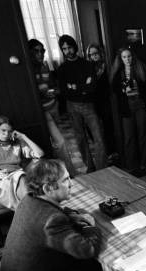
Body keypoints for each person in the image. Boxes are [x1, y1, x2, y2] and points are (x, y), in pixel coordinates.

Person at [0, 159, 103, 271]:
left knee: (86, 264)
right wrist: (90, 225)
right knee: (95, 267)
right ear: (48, 188)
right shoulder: (51, 221)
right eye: (65, 180)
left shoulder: (28, 200)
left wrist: (72, 216)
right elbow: (88, 249)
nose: (71, 183)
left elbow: (53, 211)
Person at [56, 34, 107, 171]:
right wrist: (82, 87)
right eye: (64, 49)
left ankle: (102, 168)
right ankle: (90, 167)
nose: (68, 51)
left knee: (99, 137)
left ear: (75, 47)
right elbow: (64, 92)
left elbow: (92, 87)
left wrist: (74, 87)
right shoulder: (61, 69)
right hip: (72, 106)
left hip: (89, 105)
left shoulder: (87, 64)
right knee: (80, 139)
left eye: (70, 47)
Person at [28, 39, 77, 175]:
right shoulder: (28, 69)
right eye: (37, 51)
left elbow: (53, 85)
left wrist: (54, 91)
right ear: (30, 52)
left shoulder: (44, 66)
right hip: (41, 111)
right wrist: (42, 91)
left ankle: (60, 174)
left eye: (42, 50)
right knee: (60, 142)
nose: (40, 53)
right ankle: (70, 174)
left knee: (56, 144)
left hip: (52, 106)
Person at [110, 47, 146, 172]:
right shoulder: (119, 72)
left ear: (132, 57)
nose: (127, 59)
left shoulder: (140, 69)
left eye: (129, 56)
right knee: (129, 137)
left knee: (143, 134)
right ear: (121, 59)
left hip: (140, 104)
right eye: (124, 57)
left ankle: (144, 162)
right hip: (127, 107)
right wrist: (123, 90)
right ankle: (131, 164)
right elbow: (114, 88)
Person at [85, 43, 116, 161]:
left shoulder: (106, 66)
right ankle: (101, 150)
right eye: (91, 54)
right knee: (93, 127)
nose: (93, 56)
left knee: (108, 126)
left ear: (100, 53)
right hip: (92, 102)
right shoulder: (88, 68)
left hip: (106, 100)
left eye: (95, 54)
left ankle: (111, 151)